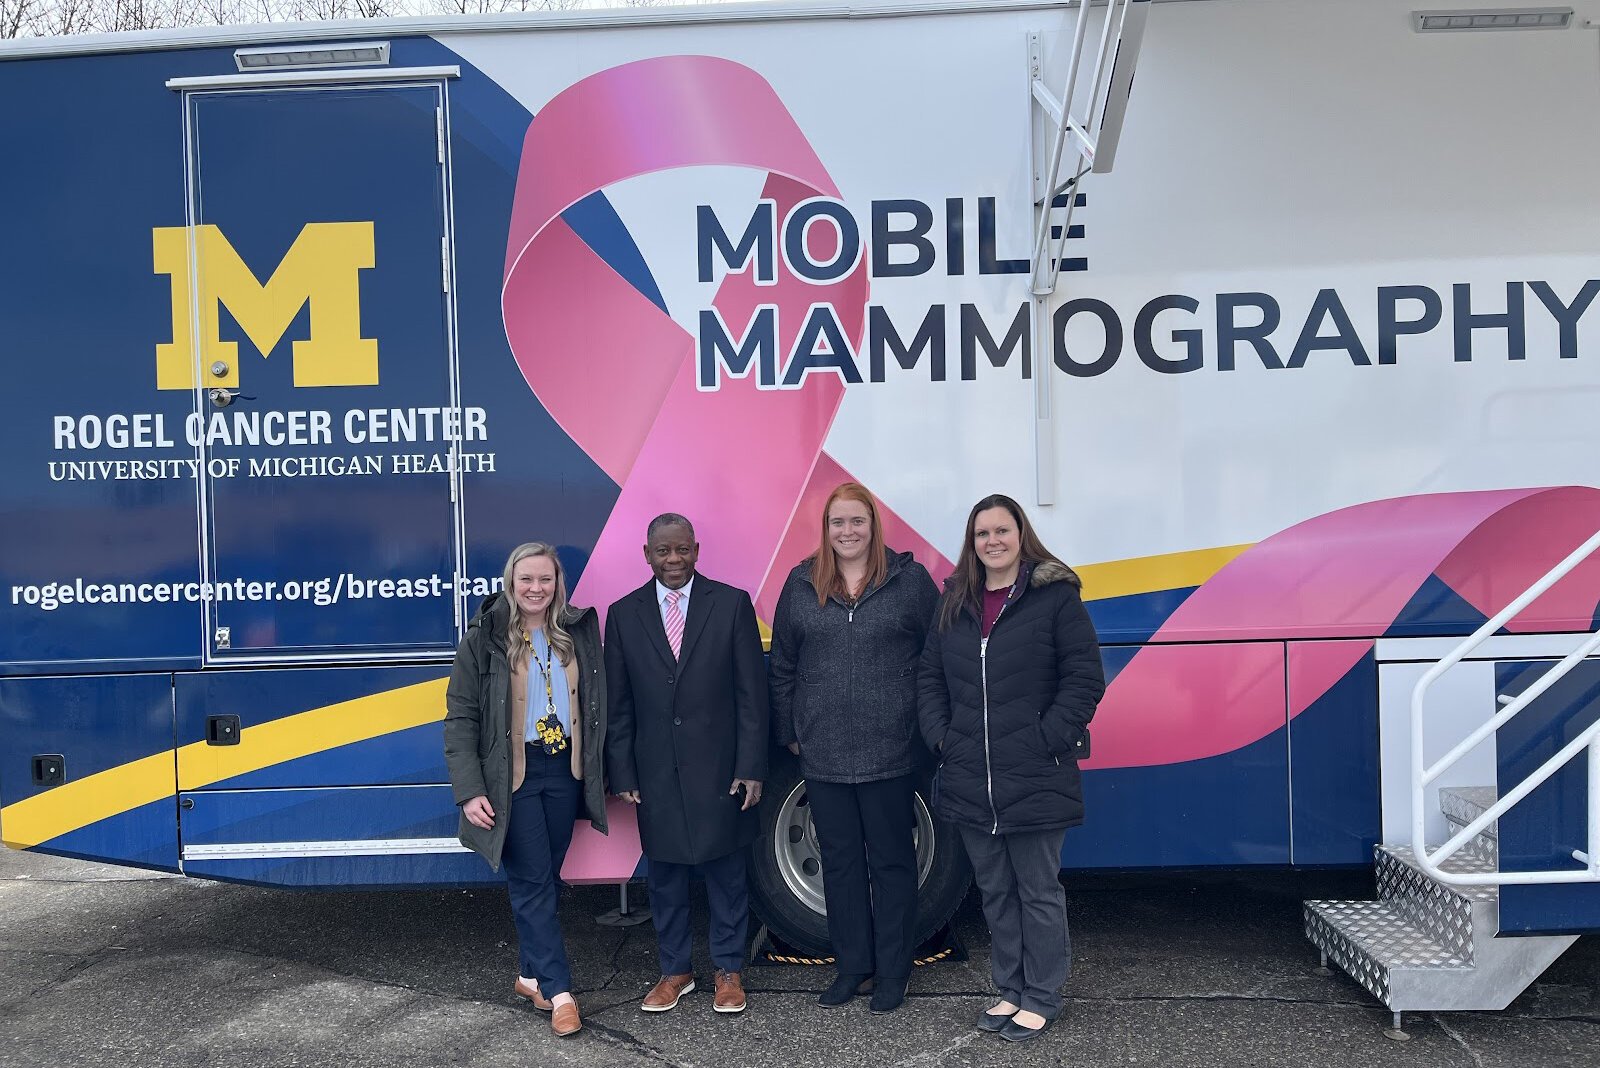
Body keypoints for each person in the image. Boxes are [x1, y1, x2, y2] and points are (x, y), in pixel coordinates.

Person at [917, 494, 1104, 1043]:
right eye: (982, 534)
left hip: (1036, 773)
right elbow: (930, 678)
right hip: (972, 775)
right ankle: (1009, 989)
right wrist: (943, 739)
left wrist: (1049, 740)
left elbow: (1084, 678)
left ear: (1021, 535)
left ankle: (1042, 996)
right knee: (996, 891)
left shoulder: (1054, 597)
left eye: (1002, 531)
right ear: (971, 543)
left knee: (1038, 891)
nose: (992, 542)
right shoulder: (956, 601)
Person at [769, 482, 940, 1013]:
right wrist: (790, 730)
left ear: (873, 525)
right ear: (826, 529)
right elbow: (783, 667)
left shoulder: (910, 582)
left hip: (891, 751)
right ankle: (853, 969)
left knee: (891, 864)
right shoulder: (801, 583)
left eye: (857, 522)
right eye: (838, 523)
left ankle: (892, 973)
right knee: (841, 865)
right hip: (822, 754)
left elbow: (937, 659)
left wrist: (923, 726)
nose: (848, 532)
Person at [605, 513, 769, 1015]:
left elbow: (751, 696)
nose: (673, 560)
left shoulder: (732, 604)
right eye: (662, 552)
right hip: (655, 773)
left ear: (696, 550)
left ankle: (728, 970)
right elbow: (619, 702)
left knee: (726, 875)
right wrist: (624, 772)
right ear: (647, 554)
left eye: (681, 550)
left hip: (721, 770)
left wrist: (751, 765)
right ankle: (675, 971)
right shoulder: (623, 613)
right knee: (666, 878)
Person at [443, 542, 609, 1038]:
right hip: (510, 776)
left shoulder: (576, 632)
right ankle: (559, 991)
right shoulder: (485, 638)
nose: (536, 589)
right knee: (532, 880)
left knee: (546, 876)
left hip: (564, 769)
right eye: (526, 580)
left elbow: (597, 701)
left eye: (545, 580)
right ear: (510, 584)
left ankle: (528, 975)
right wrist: (470, 790)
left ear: (558, 584)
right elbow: (460, 719)